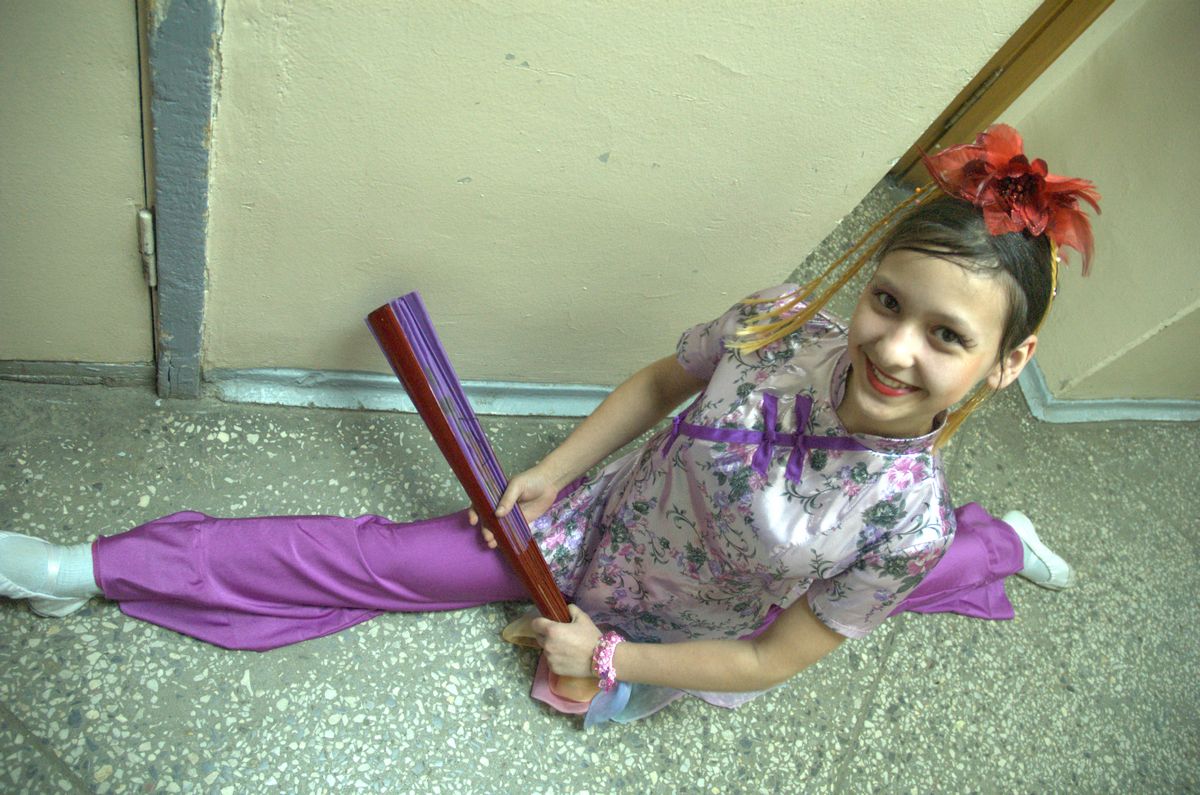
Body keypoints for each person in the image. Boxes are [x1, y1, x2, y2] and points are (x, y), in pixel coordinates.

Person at [0, 125, 1095, 725]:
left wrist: (614, 655)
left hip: (681, 620)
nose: (895, 349)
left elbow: (769, 657)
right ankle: (87, 567)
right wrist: (554, 471)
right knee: (379, 558)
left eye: (947, 337)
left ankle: (999, 543)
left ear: (1008, 362)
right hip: (579, 535)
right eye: (889, 302)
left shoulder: (906, 524)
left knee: (913, 569)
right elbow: (659, 386)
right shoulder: (775, 326)